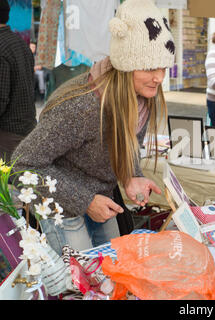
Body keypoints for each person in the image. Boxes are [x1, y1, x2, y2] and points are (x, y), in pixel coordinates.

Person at [12, 0, 175, 255]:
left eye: (163, 67)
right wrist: (85, 200)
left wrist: (131, 175)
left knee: (110, 274)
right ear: (127, 64)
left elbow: (127, 142)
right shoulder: (82, 106)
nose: (159, 77)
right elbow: (22, 165)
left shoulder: (143, 97)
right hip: (61, 206)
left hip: (100, 197)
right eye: (150, 68)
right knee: (80, 283)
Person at [0, 0, 36, 163]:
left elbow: (1, 98)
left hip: (7, 136)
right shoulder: (20, 43)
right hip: (26, 129)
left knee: (7, 186)